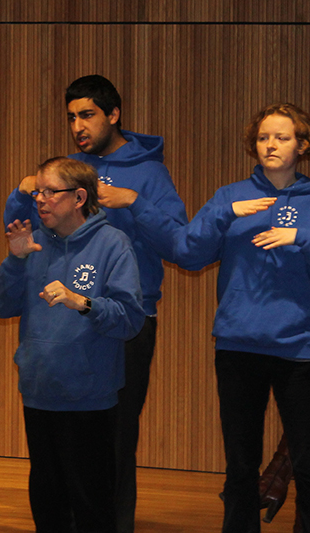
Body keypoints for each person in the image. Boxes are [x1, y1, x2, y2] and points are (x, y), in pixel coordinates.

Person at [2, 74, 187, 532]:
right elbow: (23, 232)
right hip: (59, 317)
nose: (78, 126)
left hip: (125, 317)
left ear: (113, 115)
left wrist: (135, 203)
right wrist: (21, 192)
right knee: (57, 452)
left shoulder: (148, 172)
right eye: (71, 118)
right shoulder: (66, 170)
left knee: (113, 439)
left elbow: (182, 246)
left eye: (87, 115)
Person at [134, 103, 310, 533]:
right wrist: (225, 214)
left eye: (282, 137)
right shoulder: (230, 196)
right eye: (264, 137)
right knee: (240, 463)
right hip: (238, 344)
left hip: (301, 349)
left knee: (306, 463)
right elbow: (188, 254)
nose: (271, 145)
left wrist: (299, 236)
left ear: (302, 145)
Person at [0, 157, 145, 533]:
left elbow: (130, 319)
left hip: (89, 397)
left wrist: (83, 302)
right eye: (37, 191)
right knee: (47, 504)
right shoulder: (34, 242)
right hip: (40, 392)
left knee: (92, 505)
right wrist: (15, 259)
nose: (40, 200)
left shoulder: (112, 244)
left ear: (79, 197)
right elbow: (1, 305)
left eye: (49, 192)